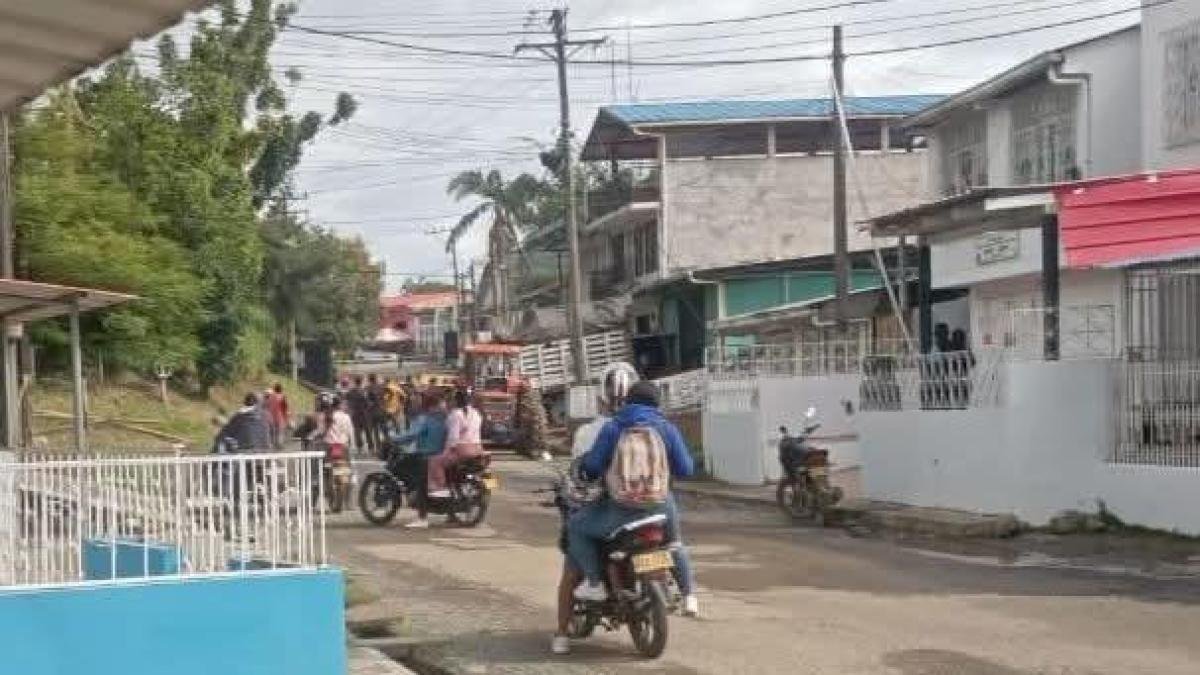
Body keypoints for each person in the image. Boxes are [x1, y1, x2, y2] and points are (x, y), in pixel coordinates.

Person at [566, 381, 698, 609]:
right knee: (675, 543)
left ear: (627, 401)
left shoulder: (614, 427)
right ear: (657, 403)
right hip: (660, 504)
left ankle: (595, 584)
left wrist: (585, 469)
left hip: (621, 508)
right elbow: (686, 469)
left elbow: (593, 467)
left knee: (576, 527)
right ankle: (690, 597)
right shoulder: (666, 428)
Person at [388, 392, 449, 529]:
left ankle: (422, 518)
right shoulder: (446, 418)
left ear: (428, 406)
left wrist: (394, 438)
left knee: (420, 484)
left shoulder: (425, 419)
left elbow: (412, 434)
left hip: (427, 456)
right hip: (443, 456)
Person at [427, 388, 484, 499]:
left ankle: (439, 490)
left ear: (456, 401)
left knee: (434, 461)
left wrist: (445, 451)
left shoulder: (455, 415)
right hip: (477, 449)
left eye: (452, 399)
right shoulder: (476, 413)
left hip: (462, 451)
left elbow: (453, 439)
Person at [346, 375, 373, 455]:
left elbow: (347, 400)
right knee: (367, 431)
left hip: (355, 413)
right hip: (364, 413)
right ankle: (371, 447)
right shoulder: (364, 391)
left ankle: (359, 448)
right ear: (361, 382)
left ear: (355, 382)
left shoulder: (351, 392)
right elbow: (368, 403)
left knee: (357, 431)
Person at [265, 383, 290, 449]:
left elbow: (266, 406)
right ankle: (279, 447)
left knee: (272, 434)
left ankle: (273, 447)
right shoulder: (282, 396)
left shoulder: (271, 397)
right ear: (281, 389)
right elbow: (286, 407)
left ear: (274, 389)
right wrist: (287, 418)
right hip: (280, 418)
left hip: (271, 418)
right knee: (280, 434)